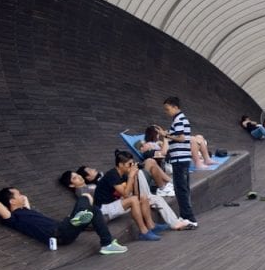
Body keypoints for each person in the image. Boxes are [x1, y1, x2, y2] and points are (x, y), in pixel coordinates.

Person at [0, 187, 127, 255]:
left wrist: (20, 198)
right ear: (12, 201)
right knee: (84, 200)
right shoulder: (13, 218)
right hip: (57, 234)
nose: (22, 195)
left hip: (63, 228)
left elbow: (25, 200)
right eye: (18, 194)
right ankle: (81, 221)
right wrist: (2, 202)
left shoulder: (25, 210)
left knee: (92, 208)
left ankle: (105, 242)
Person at [83, 151, 165, 241]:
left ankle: (151, 226)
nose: (132, 166)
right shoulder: (112, 175)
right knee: (133, 200)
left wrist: (134, 177)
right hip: (102, 209)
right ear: (120, 165)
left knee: (143, 197)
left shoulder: (124, 174)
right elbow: (126, 194)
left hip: (113, 204)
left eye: (132, 163)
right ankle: (143, 232)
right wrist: (130, 176)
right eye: (129, 164)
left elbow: (136, 193)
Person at [163, 96, 198, 227]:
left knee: (181, 189)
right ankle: (185, 216)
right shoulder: (181, 119)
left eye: (167, 109)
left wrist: (166, 135)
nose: (167, 112)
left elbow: (181, 138)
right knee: (183, 188)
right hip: (183, 158)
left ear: (175, 107)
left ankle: (190, 219)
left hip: (179, 159)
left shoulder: (178, 119)